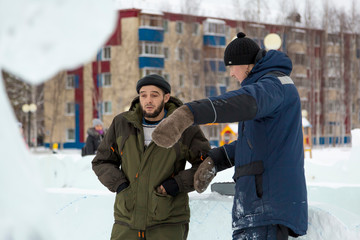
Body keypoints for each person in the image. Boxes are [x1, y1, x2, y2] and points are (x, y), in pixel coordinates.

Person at [152, 33, 308, 240]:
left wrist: (189, 113)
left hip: (266, 210)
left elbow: (243, 102)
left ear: (245, 64)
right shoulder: (271, 85)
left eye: (231, 67)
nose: (232, 74)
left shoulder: (273, 86)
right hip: (259, 208)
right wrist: (218, 159)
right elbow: (259, 143)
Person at [91, 74, 210, 240]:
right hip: (126, 223)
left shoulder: (183, 126)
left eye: (154, 95)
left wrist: (176, 184)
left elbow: (206, 164)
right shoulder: (122, 124)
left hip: (167, 223)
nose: (148, 100)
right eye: (143, 95)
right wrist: (120, 185)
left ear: (166, 97)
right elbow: (102, 161)